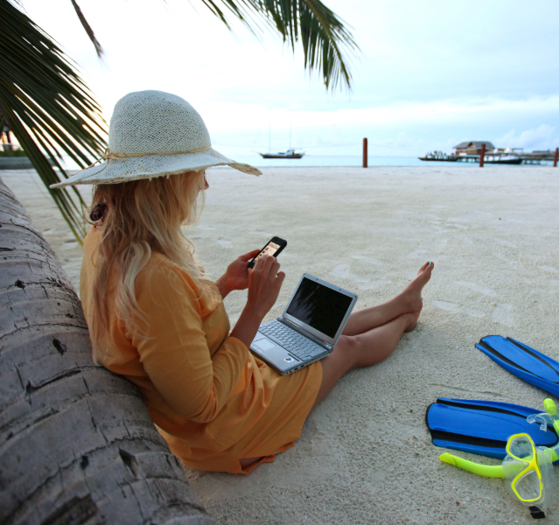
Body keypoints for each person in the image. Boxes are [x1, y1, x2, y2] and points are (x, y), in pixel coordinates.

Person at [51, 90, 433, 474]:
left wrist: (224, 285)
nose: (204, 186)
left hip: (220, 376)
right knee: (343, 348)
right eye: (197, 172)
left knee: (308, 331)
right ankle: (405, 319)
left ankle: (399, 304)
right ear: (166, 182)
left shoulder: (104, 238)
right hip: (226, 430)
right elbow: (205, 404)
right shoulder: (153, 277)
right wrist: (255, 307)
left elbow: (165, 330)